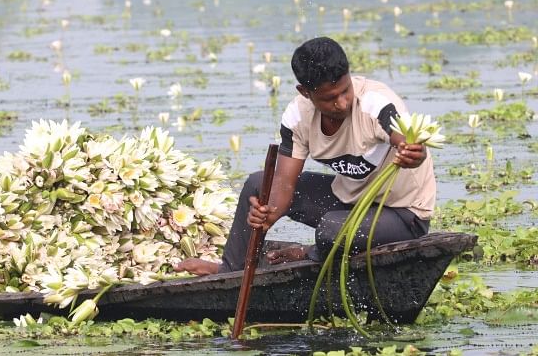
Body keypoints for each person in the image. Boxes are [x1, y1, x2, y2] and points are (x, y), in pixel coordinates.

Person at [176, 36, 436, 275]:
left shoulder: (375, 103)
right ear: (305, 93)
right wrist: (269, 214)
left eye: (345, 91)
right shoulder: (297, 117)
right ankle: (230, 271)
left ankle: (309, 254)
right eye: (329, 98)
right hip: (350, 202)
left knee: (331, 229)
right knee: (259, 185)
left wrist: (413, 152)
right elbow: (285, 183)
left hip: (401, 214)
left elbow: (407, 140)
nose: (342, 103)